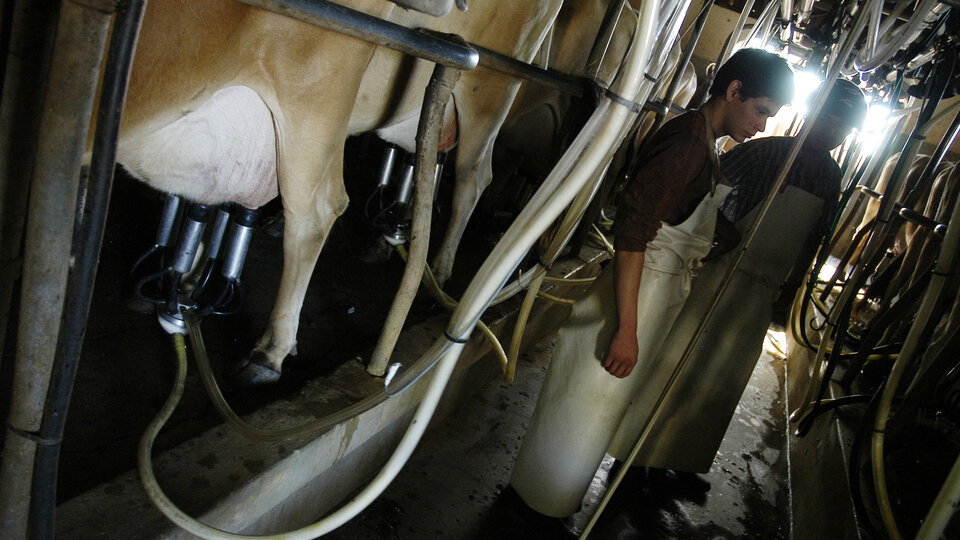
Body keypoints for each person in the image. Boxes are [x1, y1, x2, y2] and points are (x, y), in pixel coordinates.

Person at [509, 48, 795, 518]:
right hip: (634, 297)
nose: (761, 126)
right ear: (734, 91)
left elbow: (677, 212)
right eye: (761, 111)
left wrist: (719, 236)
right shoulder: (686, 143)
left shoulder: (706, 144)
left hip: (652, 294)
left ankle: (551, 499)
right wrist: (626, 329)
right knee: (581, 410)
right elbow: (632, 234)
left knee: (594, 414)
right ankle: (533, 506)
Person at [605, 79, 867, 473]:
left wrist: (792, 287)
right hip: (719, 273)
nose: (833, 131)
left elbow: (815, 236)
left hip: (761, 288)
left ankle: (680, 460)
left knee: (722, 378)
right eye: (830, 119)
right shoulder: (764, 152)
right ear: (813, 114)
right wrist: (722, 231)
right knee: (676, 365)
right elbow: (703, 193)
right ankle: (634, 458)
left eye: (843, 128)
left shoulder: (831, 179)